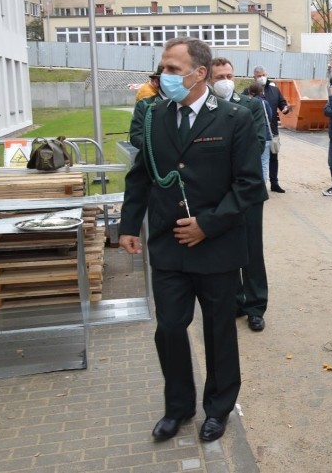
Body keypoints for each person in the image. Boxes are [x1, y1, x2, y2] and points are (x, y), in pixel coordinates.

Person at [118, 37, 266, 443]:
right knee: (168, 328)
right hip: (168, 246)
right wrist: (129, 225)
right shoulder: (153, 116)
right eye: (162, 68)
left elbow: (250, 186)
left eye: (171, 69)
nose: (162, 76)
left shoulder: (234, 118)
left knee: (219, 330)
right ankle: (178, 408)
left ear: (199, 74)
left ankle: (217, 409)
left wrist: (208, 224)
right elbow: (141, 175)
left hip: (216, 247)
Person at [210, 58, 270, 332]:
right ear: (209, 79)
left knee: (252, 249)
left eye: (229, 75)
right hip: (219, 192)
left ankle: (255, 306)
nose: (225, 80)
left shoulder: (252, 106)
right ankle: (234, 301)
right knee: (226, 249)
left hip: (247, 190)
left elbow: (257, 144)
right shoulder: (206, 109)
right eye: (220, 75)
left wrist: (219, 157)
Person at [242, 65, 290, 193]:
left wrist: (285, 108)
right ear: (254, 77)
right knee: (256, 158)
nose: (262, 77)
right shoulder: (248, 91)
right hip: (253, 132)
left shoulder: (274, 90)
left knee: (273, 157)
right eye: (259, 76)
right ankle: (255, 184)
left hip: (272, 130)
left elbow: (282, 103)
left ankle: (274, 183)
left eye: (264, 75)